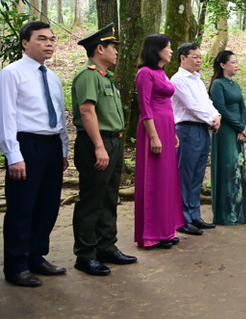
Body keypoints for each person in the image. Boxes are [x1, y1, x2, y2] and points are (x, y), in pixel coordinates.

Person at [0, 21, 69, 287]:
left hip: (51, 146)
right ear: (25, 43)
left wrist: (63, 149)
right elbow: (6, 116)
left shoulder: (52, 77)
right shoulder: (11, 73)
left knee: (48, 205)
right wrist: (13, 155)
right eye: (42, 39)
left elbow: (60, 116)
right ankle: (16, 265)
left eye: (52, 39)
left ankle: (36, 256)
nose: (49, 43)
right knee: (22, 206)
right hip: (26, 145)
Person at [72, 24, 137, 276]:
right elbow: (87, 111)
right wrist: (99, 147)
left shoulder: (104, 77)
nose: (117, 52)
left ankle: (106, 246)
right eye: (113, 47)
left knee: (109, 196)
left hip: (113, 142)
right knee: (92, 199)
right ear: (100, 49)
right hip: (96, 143)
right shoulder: (88, 75)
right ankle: (85, 254)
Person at [134, 34, 185, 248]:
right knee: (153, 179)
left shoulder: (162, 73)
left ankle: (166, 229)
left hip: (166, 128)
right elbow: (145, 107)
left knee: (167, 179)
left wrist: (171, 132)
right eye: (168, 47)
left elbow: (168, 105)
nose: (171, 51)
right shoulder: (145, 73)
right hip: (152, 128)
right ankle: (151, 234)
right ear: (156, 49)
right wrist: (154, 136)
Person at [171, 43, 221, 235]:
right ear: (183, 58)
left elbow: (206, 102)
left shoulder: (197, 79)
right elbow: (191, 106)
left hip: (202, 129)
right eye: (195, 57)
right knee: (185, 174)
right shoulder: (178, 80)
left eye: (200, 57)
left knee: (198, 174)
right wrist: (211, 119)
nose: (199, 60)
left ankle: (194, 214)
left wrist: (216, 116)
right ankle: (182, 218)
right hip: (187, 130)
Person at [209, 50, 246, 225]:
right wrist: (239, 126)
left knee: (238, 168)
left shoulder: (236, 85)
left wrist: (243, 127)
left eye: (236, 62)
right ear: (223, 65)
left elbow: (242, 107)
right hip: (225, 131)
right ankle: (226, 214)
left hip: (238, 131)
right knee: (228, 168)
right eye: (233, 62)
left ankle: (238, 212)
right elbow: (221, 109)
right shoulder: (217, 85)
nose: (236, 65)